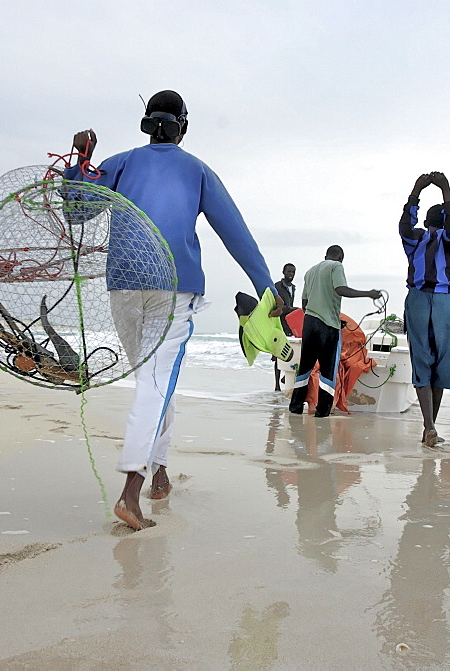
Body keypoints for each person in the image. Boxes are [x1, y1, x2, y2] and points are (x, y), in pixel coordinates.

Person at [65, 90, 283, 531]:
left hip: (123, 286)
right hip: (175, 289)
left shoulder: (122, 163)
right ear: (183, 127)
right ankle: (131, 489)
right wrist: (266, 285)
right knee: (155, 384)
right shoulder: (197, 170)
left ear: (147, 123)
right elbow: (234, 233)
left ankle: (159, 471)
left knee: (153, 383)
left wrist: (80, 162)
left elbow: (75, 211)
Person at [399, 172, 450, 447]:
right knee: (443, 364)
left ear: (426, 222)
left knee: (422, 359)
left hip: (418, 298)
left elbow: (404, 223)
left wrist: (417, 190)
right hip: (445, 301)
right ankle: (430, 427)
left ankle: (429, 425)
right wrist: (446, 190)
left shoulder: (415, 238)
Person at [289, 245, 381, 417]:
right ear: (340, 258)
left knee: (305, 367)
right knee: (328, 369)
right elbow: (340, 289)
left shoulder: (310, 271)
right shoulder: (336, 266)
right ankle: (322, 411)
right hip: (327, 326)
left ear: (326, 256)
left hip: (309, 323)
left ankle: (295, 407)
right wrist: (368, 293)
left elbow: (304, 303)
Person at [273, 263, 296, 391]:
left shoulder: (293, 288)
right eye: (289, 272)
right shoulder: (277, 287)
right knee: (277, 355)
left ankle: (285, 378)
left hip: (289, 325)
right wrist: (293, 309)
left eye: (293, 272)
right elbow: (278, 307)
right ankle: (277, 384)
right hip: (278, 324)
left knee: (289, 352)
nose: (291, 274)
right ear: (283, 272)